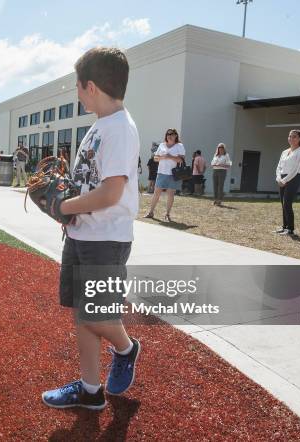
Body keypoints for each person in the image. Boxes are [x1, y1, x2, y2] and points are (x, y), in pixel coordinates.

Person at [41, 47, 140, 411]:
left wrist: (63, 206)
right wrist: (66, 199)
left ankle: (126, 348)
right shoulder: (99, 126)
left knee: (95, 315)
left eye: (78, 88)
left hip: (106, 238)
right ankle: (90, 389)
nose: (77, 94)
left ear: (91, 86)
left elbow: (111, 193)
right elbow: (90, 181)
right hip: (82, 233)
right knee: (82, 313)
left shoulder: (120, 129)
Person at [143, 129, 185, 222]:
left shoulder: (179, 146)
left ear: (176, 136)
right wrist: (163, 157)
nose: (169, 135)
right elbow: (155, 158)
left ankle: (167, 214)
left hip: (173, 174)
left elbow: (181, 160)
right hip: (161, 172)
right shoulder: (162, 145)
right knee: (156, 193)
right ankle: (151, 212)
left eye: (172, 134)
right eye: (168, 134)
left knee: (170, 194)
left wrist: (170, 156)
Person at [274, 129, 300, 236]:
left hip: (294, 177)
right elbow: (279, 166)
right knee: (283, 204)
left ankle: (290, 229)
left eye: (294, 137)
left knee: (287, 203)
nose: (291, 139)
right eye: (290, 136)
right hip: (282, 178)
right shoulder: (284, 151)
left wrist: (284, 180)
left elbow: (296, 169)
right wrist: (278, 178)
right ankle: (284, 227)